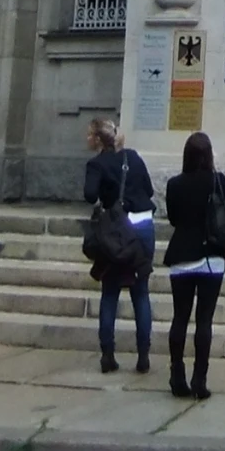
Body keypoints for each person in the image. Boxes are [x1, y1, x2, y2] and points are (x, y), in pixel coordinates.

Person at [162, 129, 225, 399]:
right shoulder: (218, 181)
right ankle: (199, 379)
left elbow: (173, 218)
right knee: (204, 320)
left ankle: (176, 373)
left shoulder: (174, 184)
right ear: (208, 155)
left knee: (179, 318)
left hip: (181, 255)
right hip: (211, 257)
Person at [82, 117, 155, 373]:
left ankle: (107, 355)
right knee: (141, 292)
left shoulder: (96, 164)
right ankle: (143, 355)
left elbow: (90, 195)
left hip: (115, 231)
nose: (86, 139)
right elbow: (148, 189)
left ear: (99, 140)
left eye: (90, 135)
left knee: (110, 292)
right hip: (143, 226)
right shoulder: (133, 158)